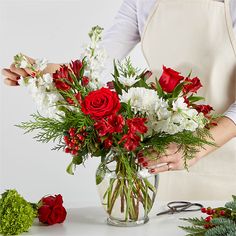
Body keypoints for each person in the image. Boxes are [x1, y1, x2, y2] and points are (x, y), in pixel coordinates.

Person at [2, 0, 236, 200]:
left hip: (226, 159)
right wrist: (44, 71)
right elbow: (96, 68)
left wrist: (197, 145)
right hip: (165, 163)